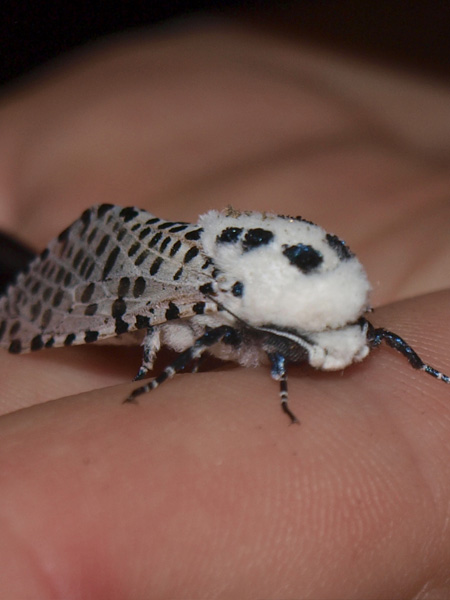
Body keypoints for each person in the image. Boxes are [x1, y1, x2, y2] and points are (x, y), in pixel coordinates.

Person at [0, 21, 449, 598]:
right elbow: (206, 333)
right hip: (183, 279)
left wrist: (429, 371)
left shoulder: (325, 306)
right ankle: (141, 373)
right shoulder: (221, 297)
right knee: (165, 326)